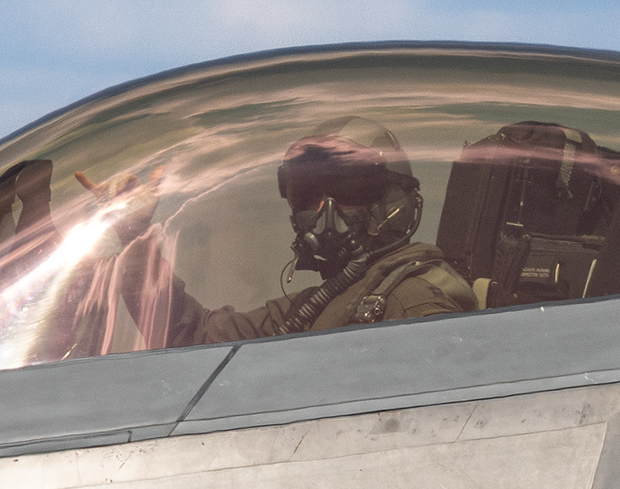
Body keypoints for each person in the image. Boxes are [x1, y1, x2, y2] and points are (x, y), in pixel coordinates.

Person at [155, 118, 475, 344]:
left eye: (348, 190)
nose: (324, 211)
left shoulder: (412, 305)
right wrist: (132, 236)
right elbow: (199, 333)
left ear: (392, 202)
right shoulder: (332, 300)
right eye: (308, 195)